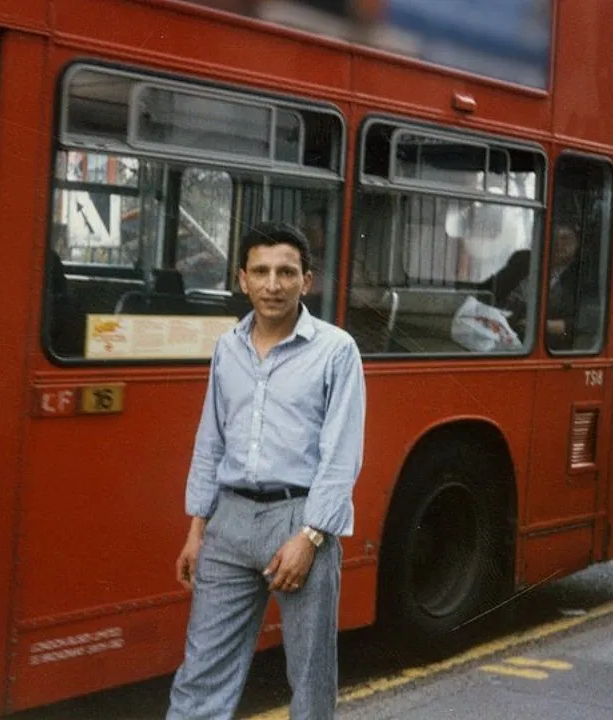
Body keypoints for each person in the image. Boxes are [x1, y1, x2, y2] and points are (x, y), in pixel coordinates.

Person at [167, 222, 367, 720]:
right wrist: (197, 529)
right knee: (200, 673)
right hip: (229, 523)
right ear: (242, 279)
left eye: (286, 272)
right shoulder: (227, 348)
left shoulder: (336, 350)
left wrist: (311, 537)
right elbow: (211, 440)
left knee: (309, 675)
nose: (272, 284)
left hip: (300, 521)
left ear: (307, 281)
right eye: (261, 271)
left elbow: (341, 456)